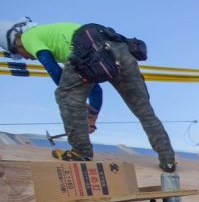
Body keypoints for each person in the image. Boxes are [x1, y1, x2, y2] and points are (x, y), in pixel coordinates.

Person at [1, 19, 176, 172]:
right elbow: (95, 89)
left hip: (90, 50)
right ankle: (168, 159)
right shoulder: (55, 33)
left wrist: (73, 99)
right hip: (120, 50)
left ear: (14, 42)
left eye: (18, 55)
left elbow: (52, 68)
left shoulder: (28, 36)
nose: (25, 58)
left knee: (64, 94)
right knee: (143, 110)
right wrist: (91, 116)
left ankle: (81, 152)